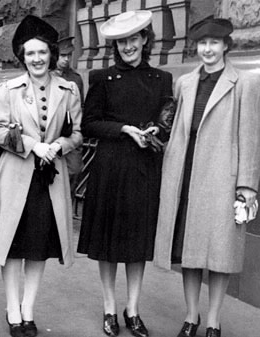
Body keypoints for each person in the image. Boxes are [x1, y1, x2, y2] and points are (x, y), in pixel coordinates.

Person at [153, 16, 260, 337]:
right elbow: (175, 130)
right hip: (184, 176)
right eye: (202, 43)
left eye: (214, 43)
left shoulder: (246, 83)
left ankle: (214, 320)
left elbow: (252, 138)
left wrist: (246, 186)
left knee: (219, 253)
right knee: (189, 252)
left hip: (221, 180)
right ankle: (191, 317)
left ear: (226, 46)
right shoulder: (185, 83)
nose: (207, 49)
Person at [0, 15, 82, 337]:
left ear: (51, 54)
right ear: (22, 57)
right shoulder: (7, 90)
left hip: (48, 182)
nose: (37, 59)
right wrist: (31, 145)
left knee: (39, 247)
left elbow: (78, 133)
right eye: (30, 54)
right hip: (15, 177)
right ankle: (12, 310)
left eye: (42, 53)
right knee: (13, 246)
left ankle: (28, 309)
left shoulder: (68, 89)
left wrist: (60, 144)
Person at [77, 10, 173, 337]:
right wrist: (123, 129)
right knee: (107, 243)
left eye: (133, 39)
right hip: (110, 168)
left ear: (145, 40)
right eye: (121, 41)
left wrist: (154, 132)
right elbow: (89, 123)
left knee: (136, 243)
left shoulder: (162, 79)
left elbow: (166, 122)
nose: (128, 46)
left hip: (144, 168)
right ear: (114, 45)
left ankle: (133, 309)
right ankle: (109, 308)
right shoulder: (102, 79)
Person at [54, 36, 84, 201]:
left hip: (70, 135)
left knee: (74, 171)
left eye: (68, 56)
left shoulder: (75, 79)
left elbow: (81, 107)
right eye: (62, 55)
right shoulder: (46, 76)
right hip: (51, 136)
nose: (65, 59)